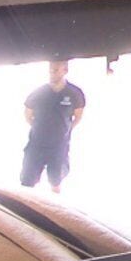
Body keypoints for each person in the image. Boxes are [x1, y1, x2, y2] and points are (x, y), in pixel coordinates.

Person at [20, 60, 88, 191]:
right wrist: (38, 128)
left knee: (55, 179)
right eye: (50, 70)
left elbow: (78, 116)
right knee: (27, 180)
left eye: (56, 70)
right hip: (37, 143)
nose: (52, 73)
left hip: (59, 145)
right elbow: (28, 115)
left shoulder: (75, 93)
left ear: (65, 71)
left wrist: (67, 130)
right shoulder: (38, 93)